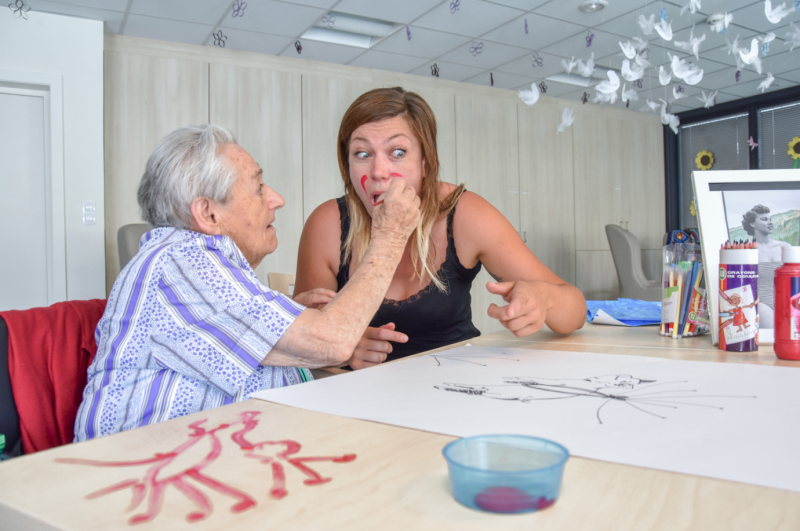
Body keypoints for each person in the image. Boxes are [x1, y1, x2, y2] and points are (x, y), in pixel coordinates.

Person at [74, 124, 420, 441]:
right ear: (208, 214)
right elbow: (332, 342)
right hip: (145, 470)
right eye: (258, 188)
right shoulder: (184, 260)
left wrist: (295, 329)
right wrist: (390, 235)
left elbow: (312, 348)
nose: (277, 199)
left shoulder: (194, 266)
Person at [294, 87, 586, 370]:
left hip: (459, 382)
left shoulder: (466, 214)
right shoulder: (327, 225)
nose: (378, 172)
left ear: (426, 162)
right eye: (362, 154)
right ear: (346, 165)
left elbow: (576, 311)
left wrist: (544, 299)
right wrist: (340, 350)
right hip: (360, 393)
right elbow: (299, 342)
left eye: (398, 152)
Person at [742, 204, 791, 329]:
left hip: (787, 300)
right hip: (762, 302)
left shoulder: (785, 247)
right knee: (772, 333)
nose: (770, 222)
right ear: (753, 224)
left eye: (770, 219)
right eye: (764, 219)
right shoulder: (747, 250)